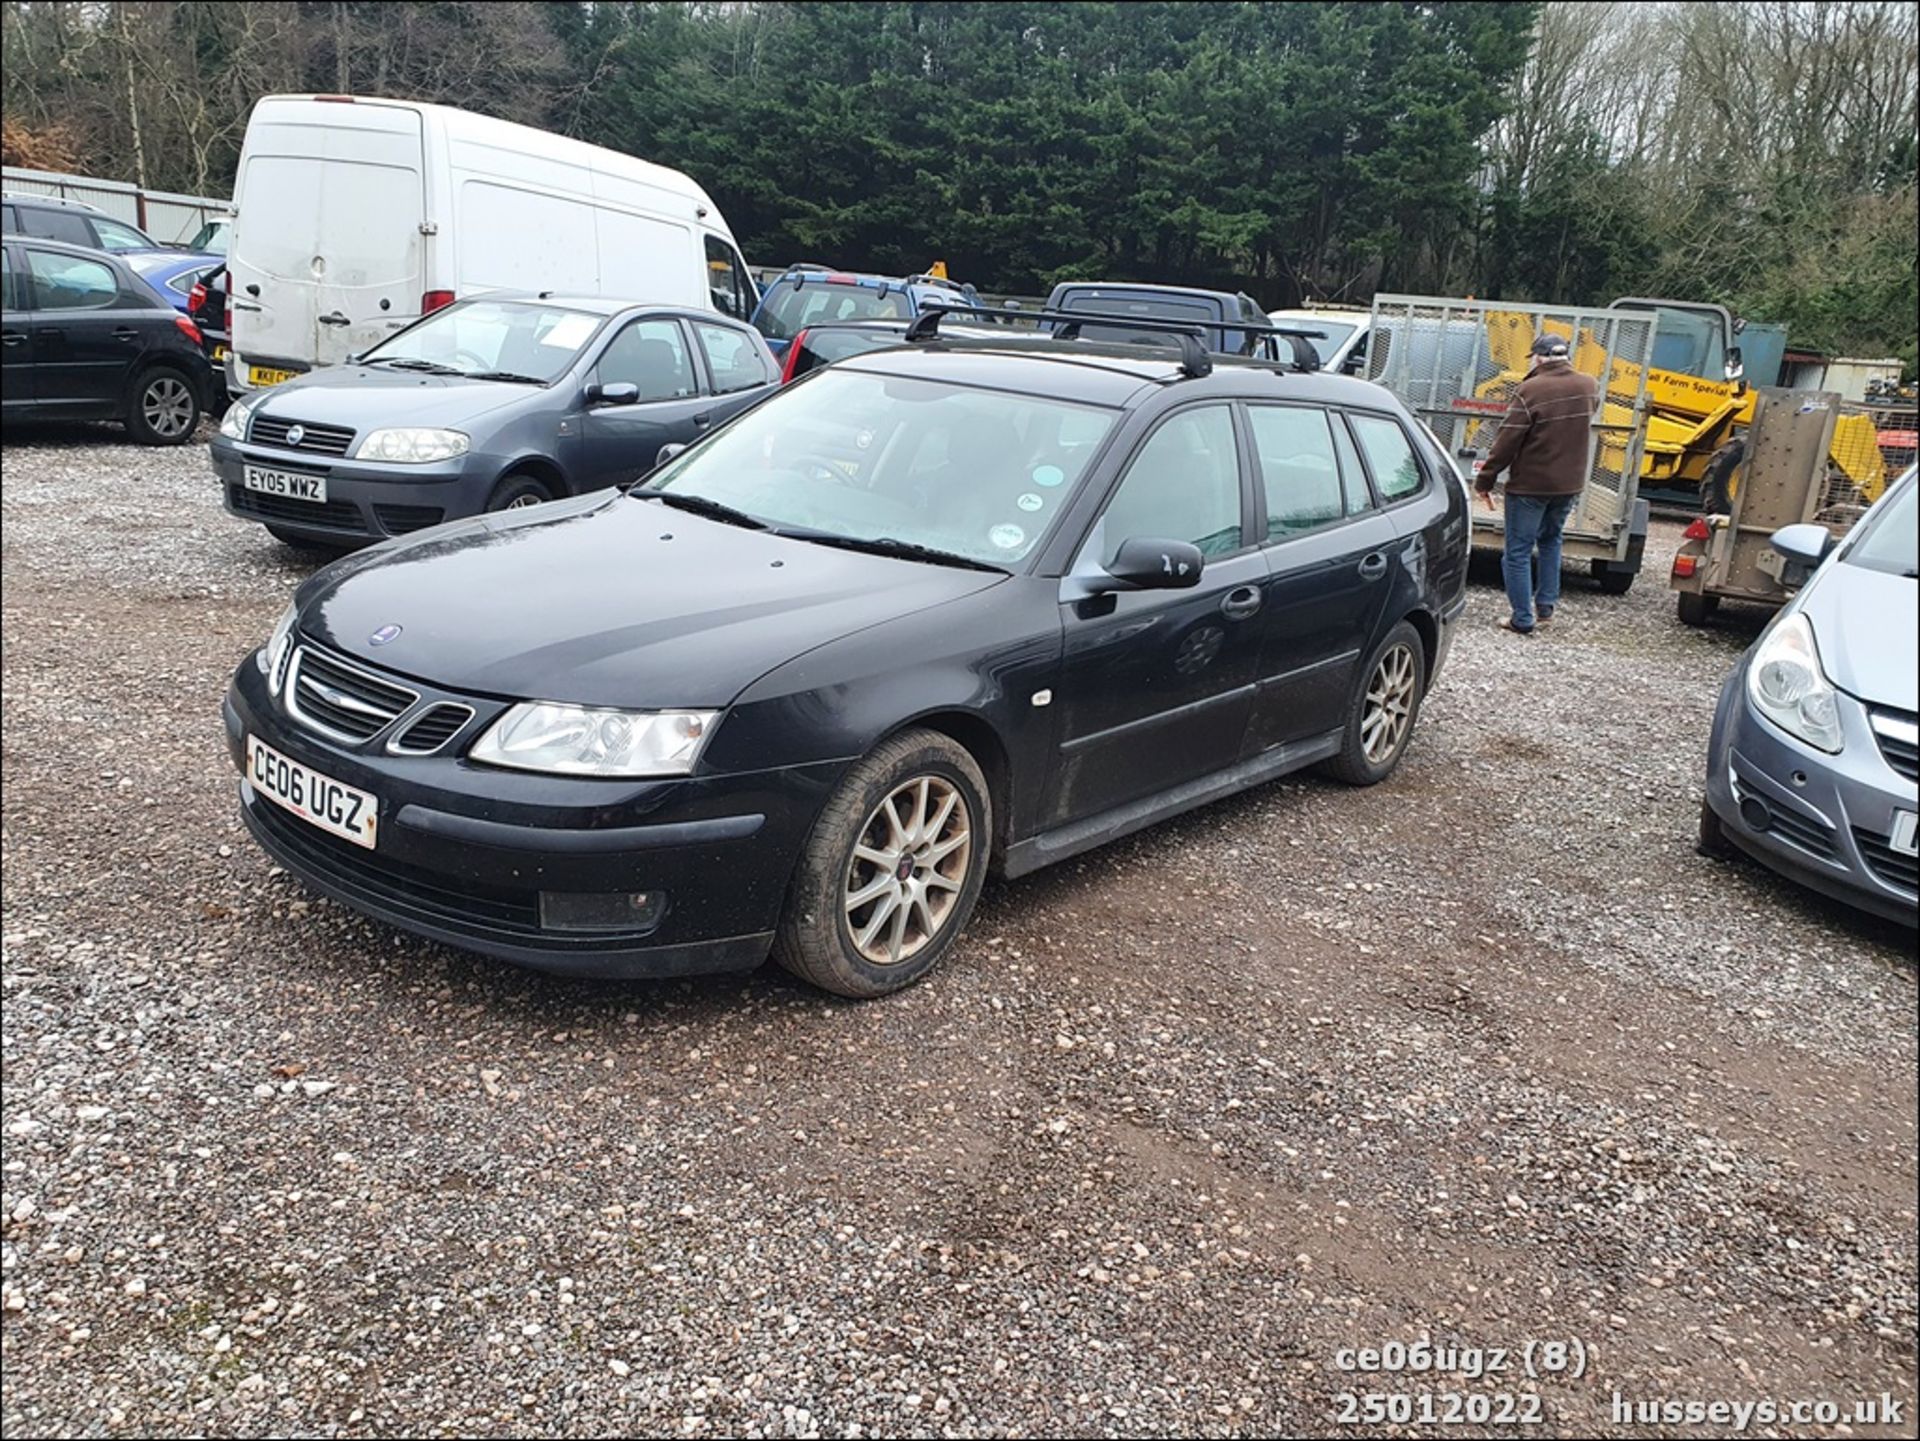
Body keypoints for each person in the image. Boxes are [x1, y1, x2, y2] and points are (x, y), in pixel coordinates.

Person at [1474, 333, 1601, 633]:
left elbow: (1507, 440)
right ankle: (1545, 608)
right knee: (1551, 541)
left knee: (1517, 551)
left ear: (1539, 357)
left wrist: (1486, 479)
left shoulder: (1530, 390)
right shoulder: (1589, 386)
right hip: (1569, 484)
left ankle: (1522, 618)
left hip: (1531, 484)